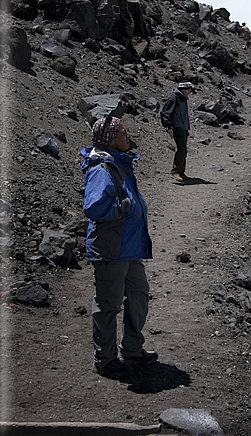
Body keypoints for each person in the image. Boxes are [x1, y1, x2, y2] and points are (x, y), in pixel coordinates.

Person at [81, 115, 157, 380]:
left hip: (129, 247)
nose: (129, 136)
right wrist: (120, 208)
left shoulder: (118, 162)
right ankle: (106, 359)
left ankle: (133, 349)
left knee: (139, 295)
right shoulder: (102, 169)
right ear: (112, 139)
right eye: (124, 132)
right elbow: (93, 206)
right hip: (112, 248)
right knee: (109, 304)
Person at [161, 81, 193, 183]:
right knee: (181, 149)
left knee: (183, 150)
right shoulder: (174, 98)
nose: (189, 92)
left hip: (182, 128)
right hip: (177, 127)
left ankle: (181, 172)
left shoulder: (182, 98)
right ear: (183, 89)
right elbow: (167, 114)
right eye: (188, 89)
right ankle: (175, 172)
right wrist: (169, 127)